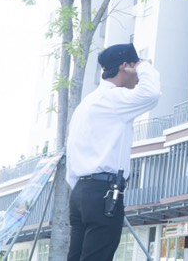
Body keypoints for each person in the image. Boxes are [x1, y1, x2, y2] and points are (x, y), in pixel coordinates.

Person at [65, 43, 162, 261]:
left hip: (80, 190)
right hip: (103, 190)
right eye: (134, 66)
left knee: (77, 257)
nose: (137, 75)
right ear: (125, 66)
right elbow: (151, 94)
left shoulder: (87, 103)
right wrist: (144, 66)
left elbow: (72, 153)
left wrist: (82, 189)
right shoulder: (114, 98)